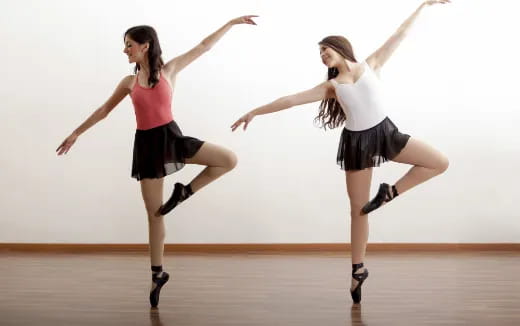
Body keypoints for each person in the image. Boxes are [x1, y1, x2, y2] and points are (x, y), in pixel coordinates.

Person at [231, 1, 450, 304]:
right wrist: (255, 111)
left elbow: (400, 34)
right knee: (358, 211)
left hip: (386, 133)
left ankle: (389, 193)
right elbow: (291, 99)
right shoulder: (332, 86)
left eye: (325, 49)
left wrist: (423, 6)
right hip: (357, 144)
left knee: (439, 162)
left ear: (340, 48)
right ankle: (357, 269)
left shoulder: (372, 64)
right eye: (319, 52)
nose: (322, 55)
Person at [56, 15, 258, 307]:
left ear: (145, 46)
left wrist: (231, 23)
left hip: (172, 138)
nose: (125, 50)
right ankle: (157, 274)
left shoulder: (170, 69)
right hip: (148, 146)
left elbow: (203, 47)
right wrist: (76, 133)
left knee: (228, 159)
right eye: (125, 46)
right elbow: (104, 110)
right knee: (155, 214)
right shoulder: (128, 82)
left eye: (129, 45)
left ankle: (184, 192)